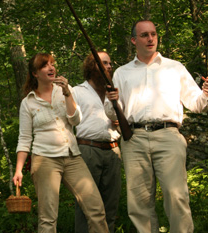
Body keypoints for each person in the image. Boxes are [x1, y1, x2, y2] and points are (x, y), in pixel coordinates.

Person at [104, 20, 208, 233]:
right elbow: (113, 114)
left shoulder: (175, 68)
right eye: (144, 35)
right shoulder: (121, 73)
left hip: (169, 136)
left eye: (153, 34)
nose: (150, 38)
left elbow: (197, 104)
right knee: (139, 202)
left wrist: (207, 93)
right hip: (134, 139)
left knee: (177, 196)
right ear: (134, 40)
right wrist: (112, 101)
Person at [12, 53, 109, 233]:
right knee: (48, 218)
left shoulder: (65, 90)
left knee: (96, 209)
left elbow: (76, 120)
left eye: (52, 64)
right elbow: (24, 138)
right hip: (45, 160)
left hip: (72, 156)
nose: (51, 68)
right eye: (45, 65)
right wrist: (19, 169)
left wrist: (67, 93)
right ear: (35, 73)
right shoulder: (28, 103)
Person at [73, 51, 122, 233]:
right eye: (104, 63)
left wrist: (119, 122)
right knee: (86, 205)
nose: (109, 66)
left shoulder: (116, 91)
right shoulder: (77, 91)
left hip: (113, 151)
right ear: (92, 66)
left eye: (110, 63)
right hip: (88, 150)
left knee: (110, 205)